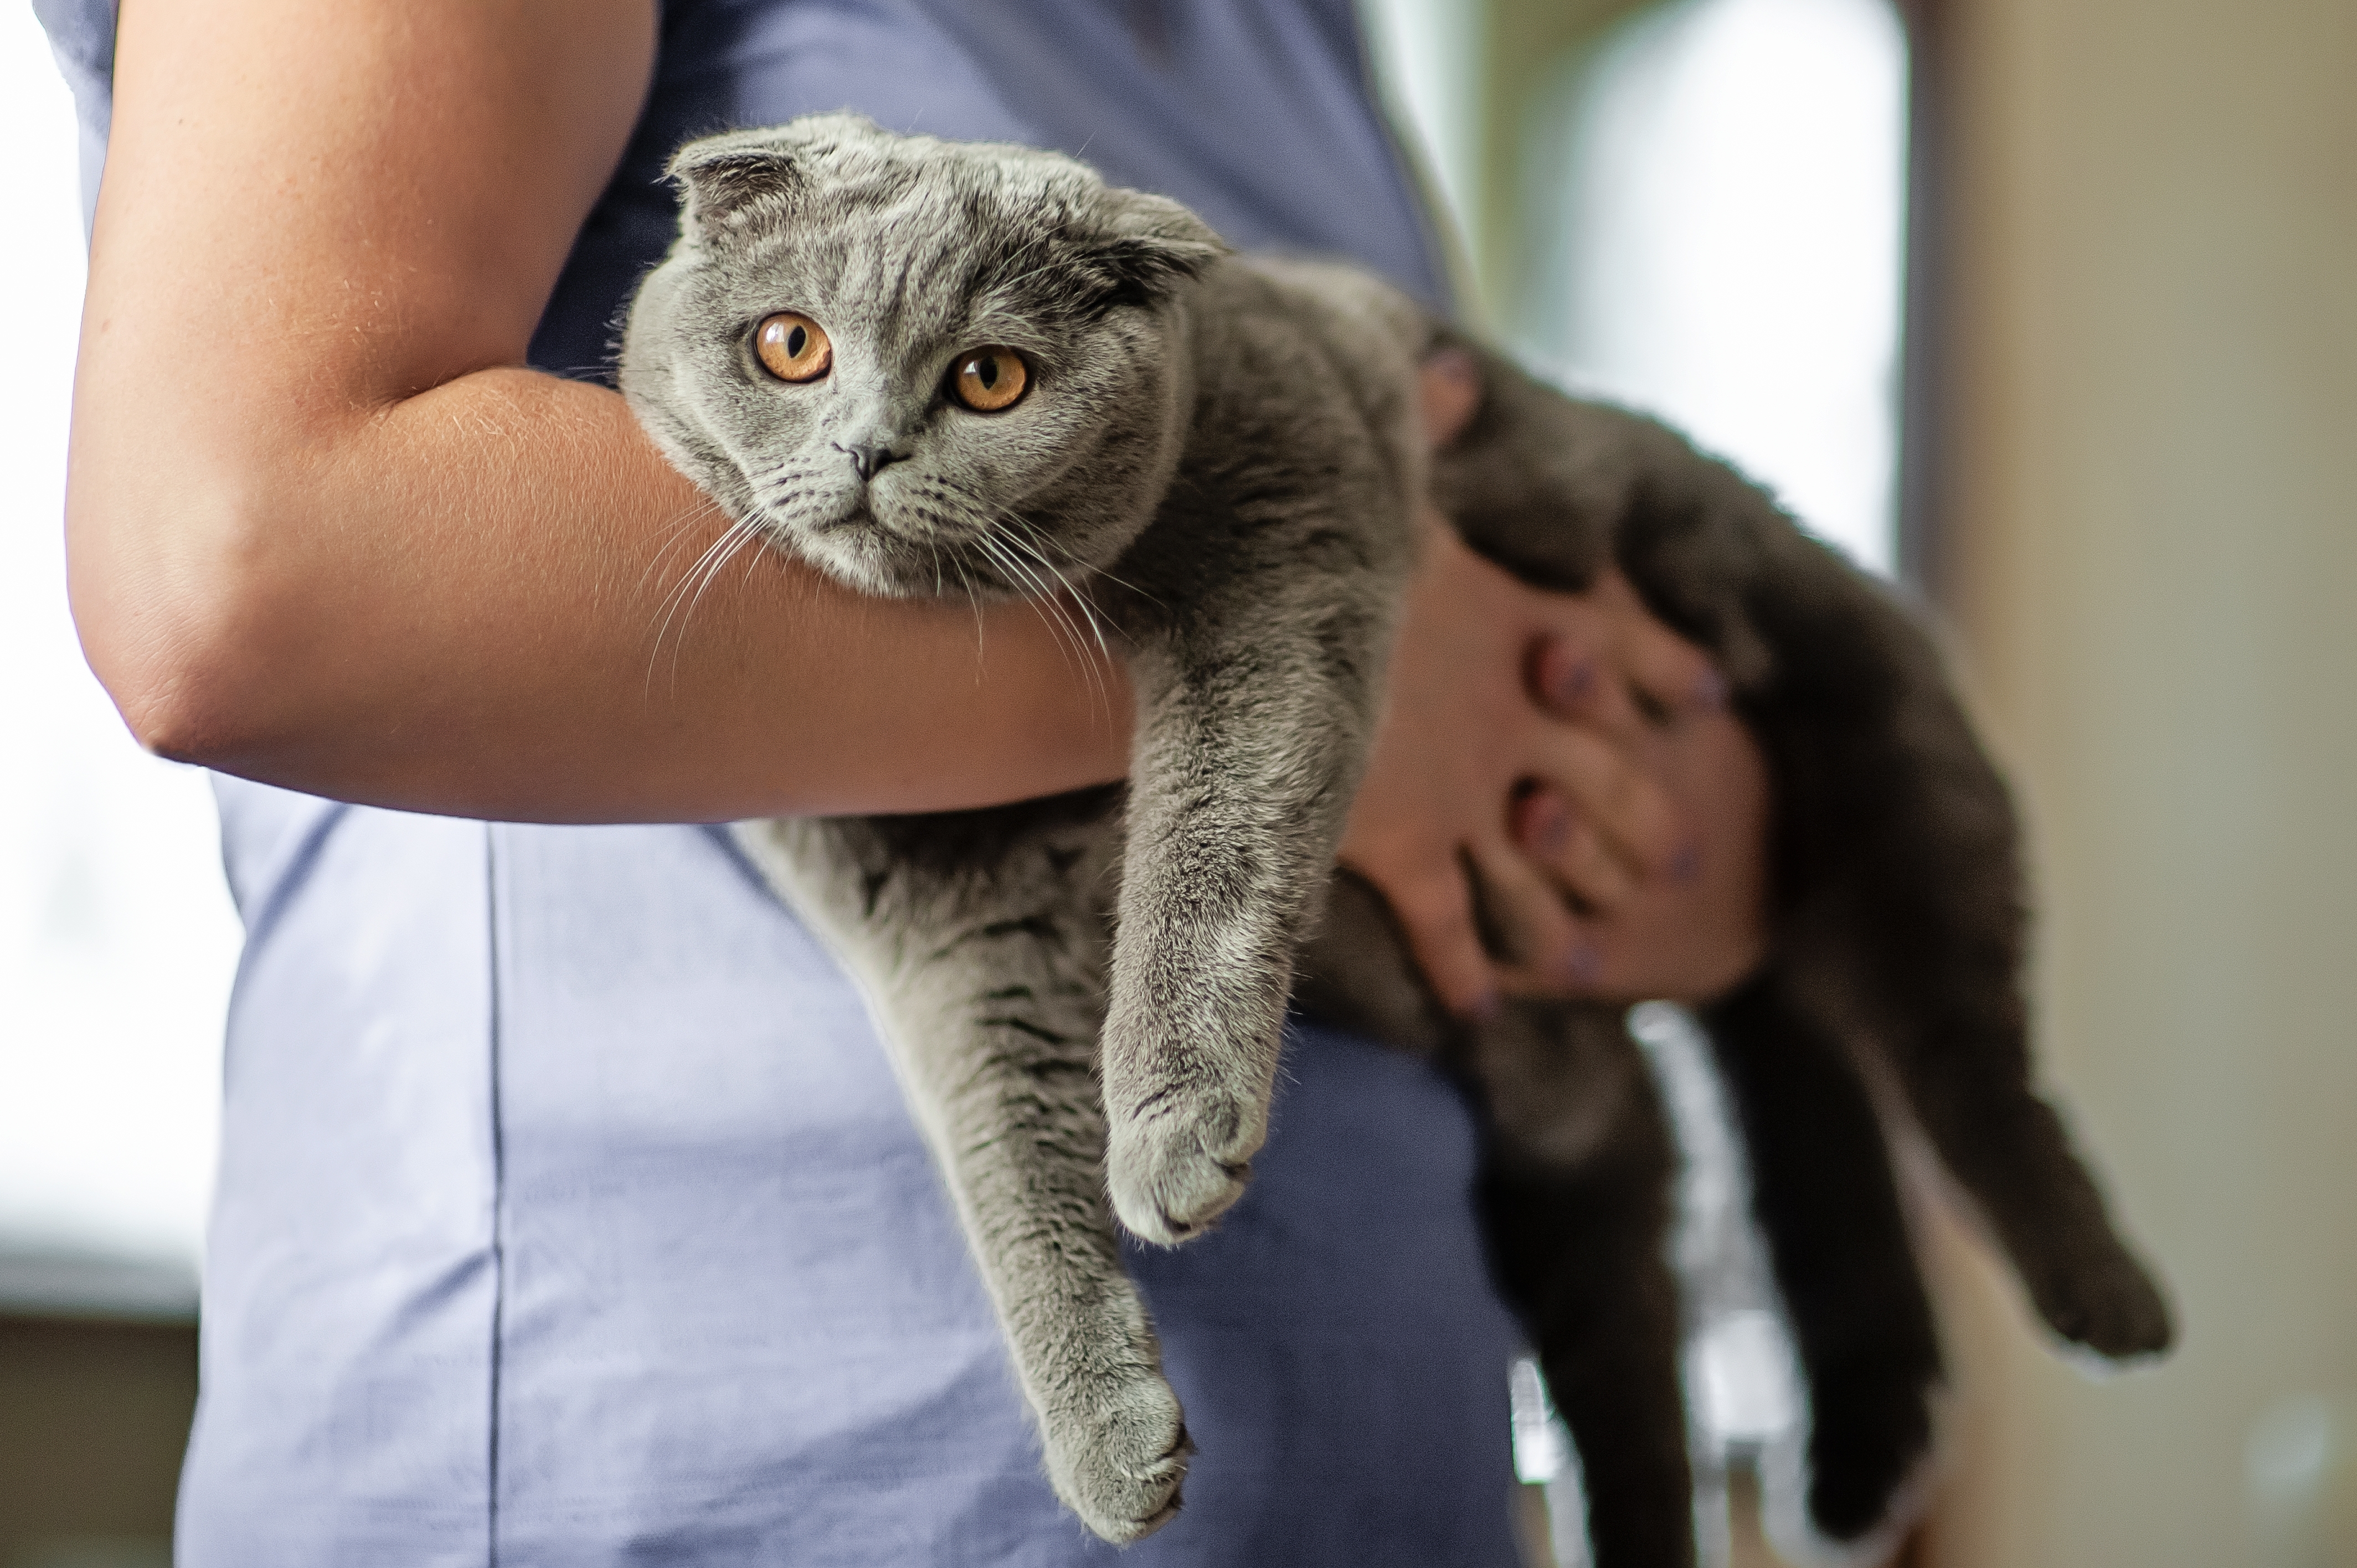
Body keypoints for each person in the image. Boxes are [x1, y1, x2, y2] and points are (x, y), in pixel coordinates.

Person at [47, 0, 1769, 1562]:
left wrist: (1636, 813)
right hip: (713, 1483)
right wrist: (1303, 649)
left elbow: (1532, 681)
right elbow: (250, 565)